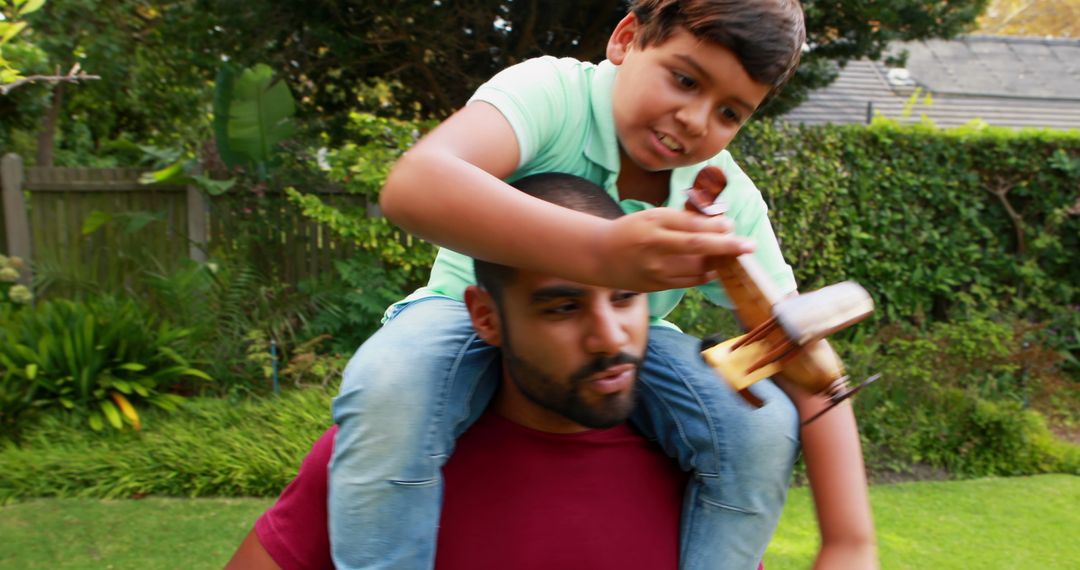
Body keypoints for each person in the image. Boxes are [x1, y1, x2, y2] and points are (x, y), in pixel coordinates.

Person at [332, 1, 877, 569]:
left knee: (757, 423)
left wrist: (849, 541)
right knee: (389, 387)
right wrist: (602, 253)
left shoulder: (724, 198)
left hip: (634, 341)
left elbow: (790, 341)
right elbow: (413, 186)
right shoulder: (552, 95)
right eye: (685, 80)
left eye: (731, 113)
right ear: (626, 39)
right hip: (462, 312)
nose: (697, 119)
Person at [227, 174, 697, 570]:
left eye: (625, 297)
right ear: (486, 317)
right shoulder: (384, 453)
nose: (612, 337)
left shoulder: (702, 460)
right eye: (565, 307)